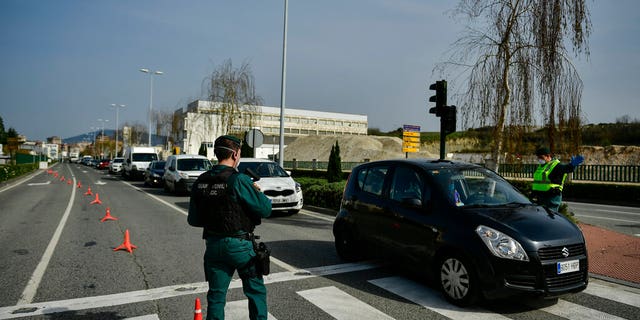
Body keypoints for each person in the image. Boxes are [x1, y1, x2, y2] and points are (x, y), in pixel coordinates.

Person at [188, 135, 272, 320]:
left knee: (216, 297)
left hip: (213, 246)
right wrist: (256, 192)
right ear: (235, 154)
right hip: (241, 248)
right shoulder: (239, 180)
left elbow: (193, 220)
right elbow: (265, 209)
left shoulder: (201, 180)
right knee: (256, 292)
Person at [531, 146, 584, 211]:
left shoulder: (556, 165)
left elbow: (566, 169)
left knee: (550, 218)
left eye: (541, 157)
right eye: (538, 157)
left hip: (552, 197)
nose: (539, 159)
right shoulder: (541, 167)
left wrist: (572, 165)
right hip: (540, 197)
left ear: (548, 156)